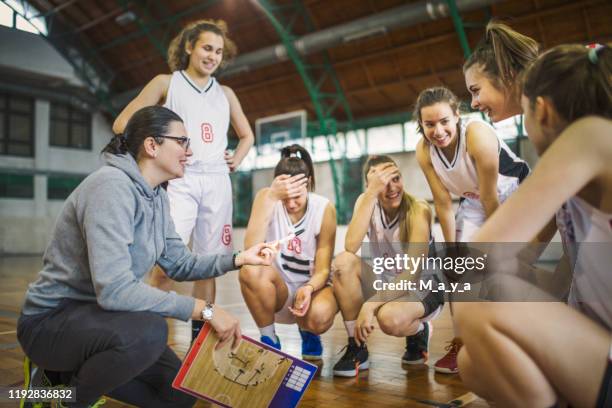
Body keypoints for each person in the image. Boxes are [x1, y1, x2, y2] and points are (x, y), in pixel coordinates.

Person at [17, 106, 273, 408]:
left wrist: (239, 258)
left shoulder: (156, 196)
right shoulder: (110, 187)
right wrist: (205, 310)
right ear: (152, 145)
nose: (189, 152)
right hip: (51, 323)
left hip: (101, 319)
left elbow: (180, 263)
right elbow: (114, 291)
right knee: (150, 331)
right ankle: (63, 400)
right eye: (182, 141)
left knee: (180, 395)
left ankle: (54, 379)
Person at [454, 44, 611, 407]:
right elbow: (546, 261)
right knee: (472, 364)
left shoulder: (589, 134)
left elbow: (486, 252)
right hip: (597, 344)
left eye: (524, 111)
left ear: (542, 110)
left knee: (479, 297)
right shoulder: (587, 166)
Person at [112, 19, 254, 341]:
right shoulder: (167, 82)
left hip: (217, 182)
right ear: (189, 47)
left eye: (218, 51)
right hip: (179, 179)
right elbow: (123, 123)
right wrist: (160, 147)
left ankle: (199, 344)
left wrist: (239, 156)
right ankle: (147, 337)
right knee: (163, 265)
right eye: (206, 47)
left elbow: (247, 135)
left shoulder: (226, 93)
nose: (212, 56)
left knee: (209, 264)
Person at [414, 85, 530, 374]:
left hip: (515, 193)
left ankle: (520, 339)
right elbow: (442, 202)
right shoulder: (424, 151)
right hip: (477, 202)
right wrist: (451, 250)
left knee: (505, 265)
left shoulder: (476, 134)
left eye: (444, 121)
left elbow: (492, 197)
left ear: (457, 116)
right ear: (421, 125)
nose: (438, 131)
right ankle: (462, 342)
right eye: (429, 124)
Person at [331, 155, 443, 377]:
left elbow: (411, 276)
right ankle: (357, 347)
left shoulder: (418, 209)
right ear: (370, 185)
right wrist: (371, 193)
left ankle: (420, 331)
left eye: (396, 178)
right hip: (389, 284)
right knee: (343, 262)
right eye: (383, 182)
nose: (391, 188)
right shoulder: (367, 202)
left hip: (423, 288)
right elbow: (351, 246)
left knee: (389, 320)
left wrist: (370, 305)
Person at [239, 144, 338, 361]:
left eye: (297, 197)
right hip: (278, 291)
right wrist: (273, 197)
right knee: (248, 270)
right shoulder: (267, 198)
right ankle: (269, 339)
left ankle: (309, 332)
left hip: (311, 291)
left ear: (308, 183)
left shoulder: (324, 208)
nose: (291, 204)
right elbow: (249, 249)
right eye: (286, 197)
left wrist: (310, 288)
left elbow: (322, 269)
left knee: (319, 317)